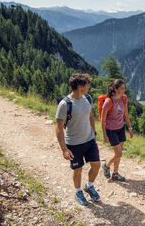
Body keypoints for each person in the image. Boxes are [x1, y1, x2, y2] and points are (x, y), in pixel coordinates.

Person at [55, 73, 100, 206]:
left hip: (89, 140)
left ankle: (89, 186)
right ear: (80, 86)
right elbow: (58, 127)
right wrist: (64, 149)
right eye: (87, 84)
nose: (89, 86)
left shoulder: (87, 98)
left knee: (96, 165)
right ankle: (78, 191)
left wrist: (94, 132)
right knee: (78, 169)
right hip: (74, 143)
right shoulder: (65, 104)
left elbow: (90, 115)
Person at [101, 79, 133, 182]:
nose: (124, 90)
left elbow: (126, 114)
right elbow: (102, 120)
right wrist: (104, 135)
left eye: (124, 88)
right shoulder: (108, 102)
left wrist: (130, 128)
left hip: (120, 128)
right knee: (118, 153)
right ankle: (106, 165)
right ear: (115, 89)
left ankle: (115, 173)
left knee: (119, 153)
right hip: (111, 130)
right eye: (122, 88)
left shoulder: (124, 99)